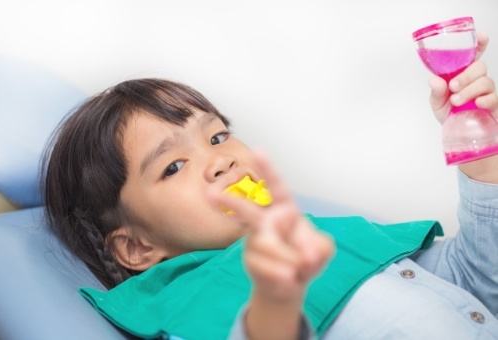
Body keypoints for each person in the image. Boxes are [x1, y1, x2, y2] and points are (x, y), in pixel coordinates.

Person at [43, 33, 498, 339]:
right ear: (138, 249)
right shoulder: (192, 303)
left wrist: (483, 165)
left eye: (217, 136)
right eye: (174, 166)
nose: (221, 160)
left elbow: (477, 286)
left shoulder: (329, 238)